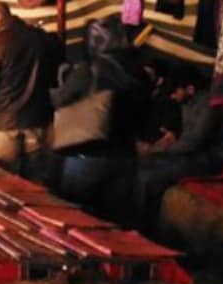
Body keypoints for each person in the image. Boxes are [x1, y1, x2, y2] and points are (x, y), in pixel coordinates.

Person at [50, 16, 151, 224]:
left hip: (87, 154)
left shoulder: (89, 69)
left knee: (76, 220)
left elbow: (60, 99)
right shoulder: (140, 71)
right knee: (114, 223)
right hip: (125, 157)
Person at [135, 66, 223, 232]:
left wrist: (158, 150)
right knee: (140, 167)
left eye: (175, 92)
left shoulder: (209, 106)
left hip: (209, 160)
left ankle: (144, 228)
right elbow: (184, 137)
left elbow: (193, 142)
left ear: (190, 89)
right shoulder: (187, 103)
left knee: (152, 178)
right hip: (188, 155)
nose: (172, 96)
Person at [0, 1, 57, 176]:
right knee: (38, 184)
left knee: (5, 181)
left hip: (3, 124)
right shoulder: (42, 38)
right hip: (38, 120)